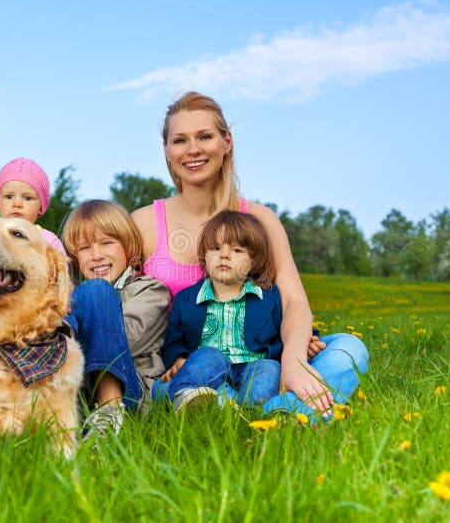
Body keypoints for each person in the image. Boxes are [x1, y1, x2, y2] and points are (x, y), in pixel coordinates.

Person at [131, 91, 368, 422]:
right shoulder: (143, 223)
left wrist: (295, 360)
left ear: (226, 142)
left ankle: (267, 414)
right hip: (186, 369)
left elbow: (294, 302)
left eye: (205, 136)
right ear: (167, 151)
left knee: (348, 349)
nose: (193, 149)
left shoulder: (260, 220)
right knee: (190, 379)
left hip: (260, 361)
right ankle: (266, 414)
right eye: (179, 140)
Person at [153, 211, 285, 411]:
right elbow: (173, 339)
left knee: (269, 368)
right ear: (204, 256)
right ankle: (186, 397)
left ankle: (251, 412)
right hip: (208, 370)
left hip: (253, 364)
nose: (224, 255)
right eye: (215, 248)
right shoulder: (186, 299)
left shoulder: (269, 297)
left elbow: (286, 328)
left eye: (236, 250)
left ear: (254, 260)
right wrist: (179, 358)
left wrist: (309, 340)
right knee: (206, 356)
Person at [61, 200, 170, 438]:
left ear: (128, 246)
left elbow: (124, 342)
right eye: (84, 248)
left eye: (107, 243)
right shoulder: (74, 298)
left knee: (97, 290)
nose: (96, 255)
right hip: (80, 389)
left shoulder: (151, 290)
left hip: (130, 392)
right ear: (74, 257)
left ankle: (110, 412)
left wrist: (76, 328)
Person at [0, 157, 64, 252]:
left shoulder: (48, 241)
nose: (17, 204)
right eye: (9, 197)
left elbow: (61, 266)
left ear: (41, 207)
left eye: (27, 198)